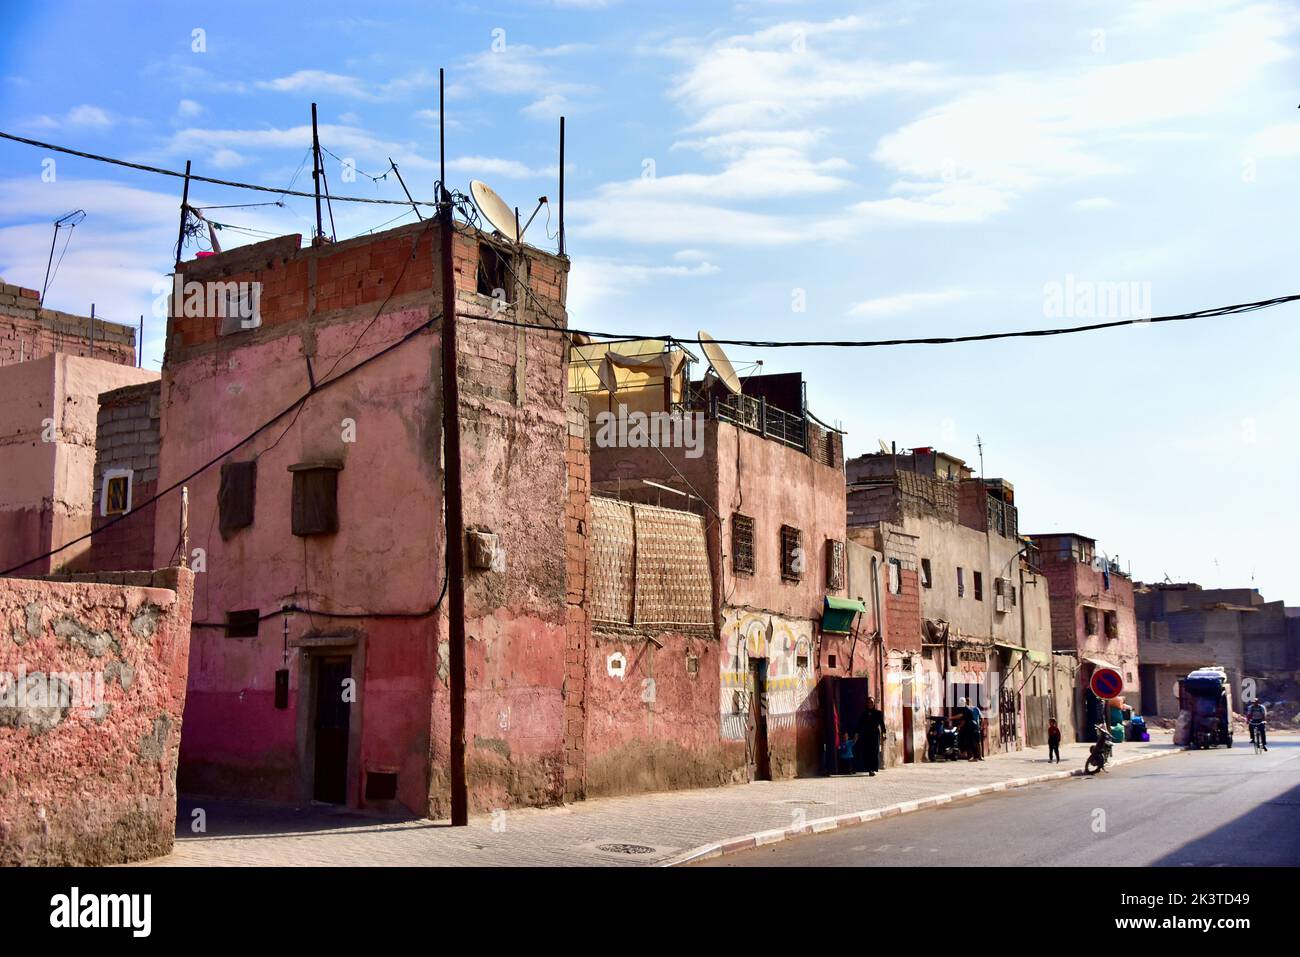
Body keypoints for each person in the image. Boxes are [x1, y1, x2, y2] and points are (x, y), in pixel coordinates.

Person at [855, 697, 887, 776]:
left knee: (874, 751)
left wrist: (884, 734)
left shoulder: (878, 713)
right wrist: (856, 734)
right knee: (867, 752)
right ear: (867, 704)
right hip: (866, 734)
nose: (870, 704)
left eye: (872, 702)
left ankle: (873, 769)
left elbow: (882, 725)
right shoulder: (863, 714)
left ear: (874, 703)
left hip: (875, 734)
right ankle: (869, 769)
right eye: (869, 702)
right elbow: (859, 725)